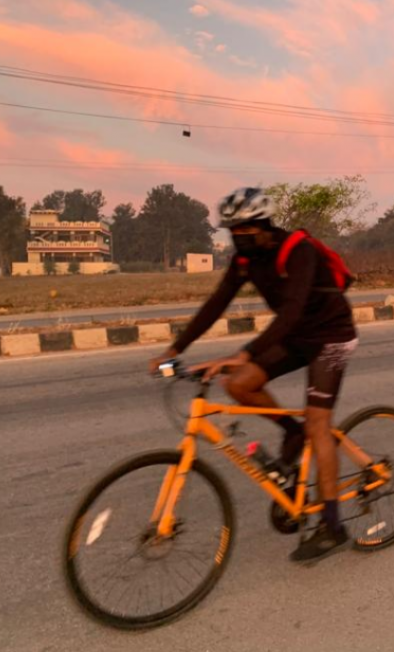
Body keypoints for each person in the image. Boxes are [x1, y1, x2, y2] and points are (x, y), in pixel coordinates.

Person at [150, 186, 358, 563]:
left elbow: (292, 311)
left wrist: (242, 353)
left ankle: (333, 526)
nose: (238, 239)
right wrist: (175, 350)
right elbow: (216, 304)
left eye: (244, 232)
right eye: (232, 232)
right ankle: (293, 435)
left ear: (264, 225)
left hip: (331, 337)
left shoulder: (299, 251)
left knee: (318, 423)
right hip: (296, 336)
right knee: (239, 384)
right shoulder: (245, 261)